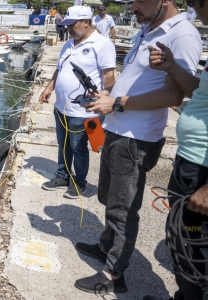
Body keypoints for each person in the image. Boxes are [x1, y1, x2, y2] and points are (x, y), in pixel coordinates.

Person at [75, 0, 202, 294]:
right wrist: (109, 94)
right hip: (117, 127)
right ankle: (107, 245)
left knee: (123, 207)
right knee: (109, 197)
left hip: (137, 137)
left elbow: (174, 94)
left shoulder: (181, 34)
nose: (132, 7)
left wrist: (117, 102)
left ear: (165, 1)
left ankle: (114, 274)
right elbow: (139, 80)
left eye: (138, 1)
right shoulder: (147, 29)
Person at [146, 2, 208, 300]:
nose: (196, 10)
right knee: (183, 243)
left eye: (198, 3)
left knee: (196, 250)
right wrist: (172, 67)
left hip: (203, 171)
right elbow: (199, 91)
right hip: (191, 162)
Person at [39, 6, 116, 199]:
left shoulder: (102, 44)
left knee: (78, 147)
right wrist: (49, 88)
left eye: (71, 25)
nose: (68, 29)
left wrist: (104, 100)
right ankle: (63, 175)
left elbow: (109, 78)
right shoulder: (69, 43)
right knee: (62, 144)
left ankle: (79, 181)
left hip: (82, 110)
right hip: (61, 106)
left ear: (86, 22)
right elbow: (60, 68)